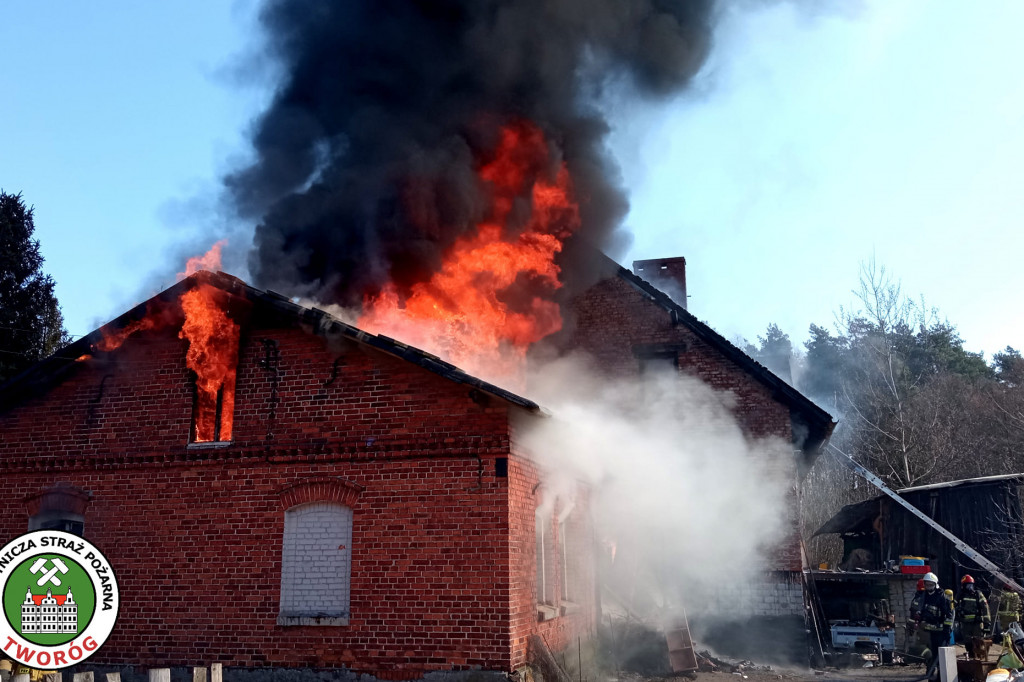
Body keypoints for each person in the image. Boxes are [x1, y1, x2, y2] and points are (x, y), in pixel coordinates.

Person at [916, 572, 954, 669]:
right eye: (927, 584)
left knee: (941, 658)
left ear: (935, 585)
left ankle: (941, 676)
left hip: (940, 631)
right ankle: (931, 676)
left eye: (931, 585)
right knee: (929, 656)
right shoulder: (923, 597)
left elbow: (949, 615)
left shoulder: (942, 597)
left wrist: (947, 629)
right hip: (927, 631)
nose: (929, 587)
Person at [957, 575, 991, 641]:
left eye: (971, 585)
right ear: (963, 586)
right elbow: (953, 607)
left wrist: (987, 624)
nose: (969, 588)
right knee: (968, 644)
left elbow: (985, 608)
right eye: (967, 586)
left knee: (978, 643)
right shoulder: (960, 595)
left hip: (977, 624)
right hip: (965, 624)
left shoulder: (978, 594)